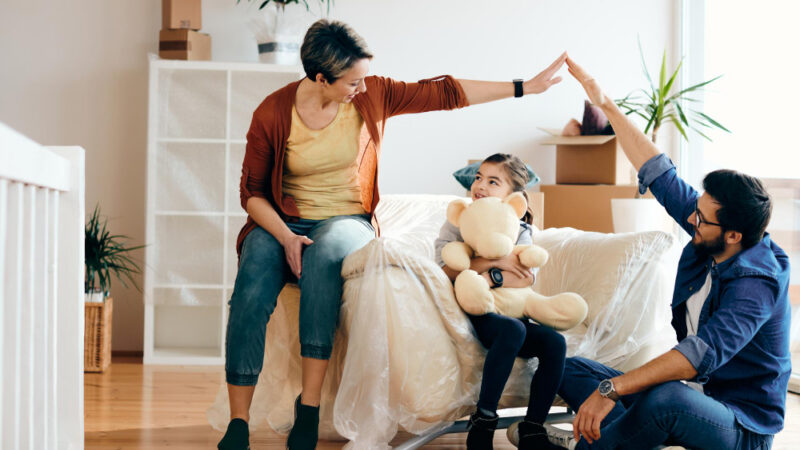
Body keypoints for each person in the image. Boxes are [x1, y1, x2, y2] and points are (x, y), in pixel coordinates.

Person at [217, 19, 568, 450]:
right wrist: (286, 237)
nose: (362, 88)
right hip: (280, 220)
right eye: (352, 81)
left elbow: (445, 93)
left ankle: (308, 408)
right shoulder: (273, 111)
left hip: (345, 220)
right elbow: (251, 193)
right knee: (252, 276)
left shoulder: (373, 94)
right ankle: (238, 422)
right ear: (321, 78)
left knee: (325, 256)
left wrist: (524, 87)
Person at [544, 57, 792, 450]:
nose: (691, 216)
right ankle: (624, 438)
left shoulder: (757, 283)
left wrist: (611, 390)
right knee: (567, 367)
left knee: (666, 400)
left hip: (740, 425)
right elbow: (659, 171)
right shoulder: (710, 228)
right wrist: (604, 101)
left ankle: (593, 445)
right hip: (692, 396)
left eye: (702, 217)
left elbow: (696, 357)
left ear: (732, 234)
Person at [434, 154, 567, 450]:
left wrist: (484, 269)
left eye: (493, 181)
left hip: (513, 311)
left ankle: (533, 429)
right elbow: (444, 271)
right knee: (512, 331)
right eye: (479, 177)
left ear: (513, 197)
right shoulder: (460, 221)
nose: (480, 185)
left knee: (554, 343)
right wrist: (501, 261)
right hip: (476, 312)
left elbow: (525, 278)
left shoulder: (520, 229)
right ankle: (484, 419)